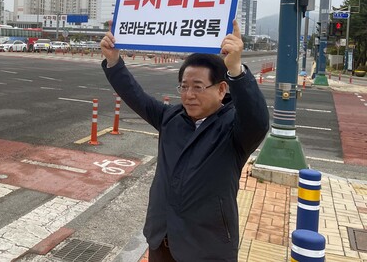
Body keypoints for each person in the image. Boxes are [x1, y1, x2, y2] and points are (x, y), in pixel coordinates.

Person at [100, 20, 269, 262]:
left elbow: (257, 121)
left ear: (222, 89)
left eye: (198, 87)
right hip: (161, 242)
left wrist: (236, 70)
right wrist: (114, 62)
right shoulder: (171, 118)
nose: (189, 95)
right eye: (184, 87)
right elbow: (136, 96)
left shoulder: (234, 130)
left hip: (206, 251)